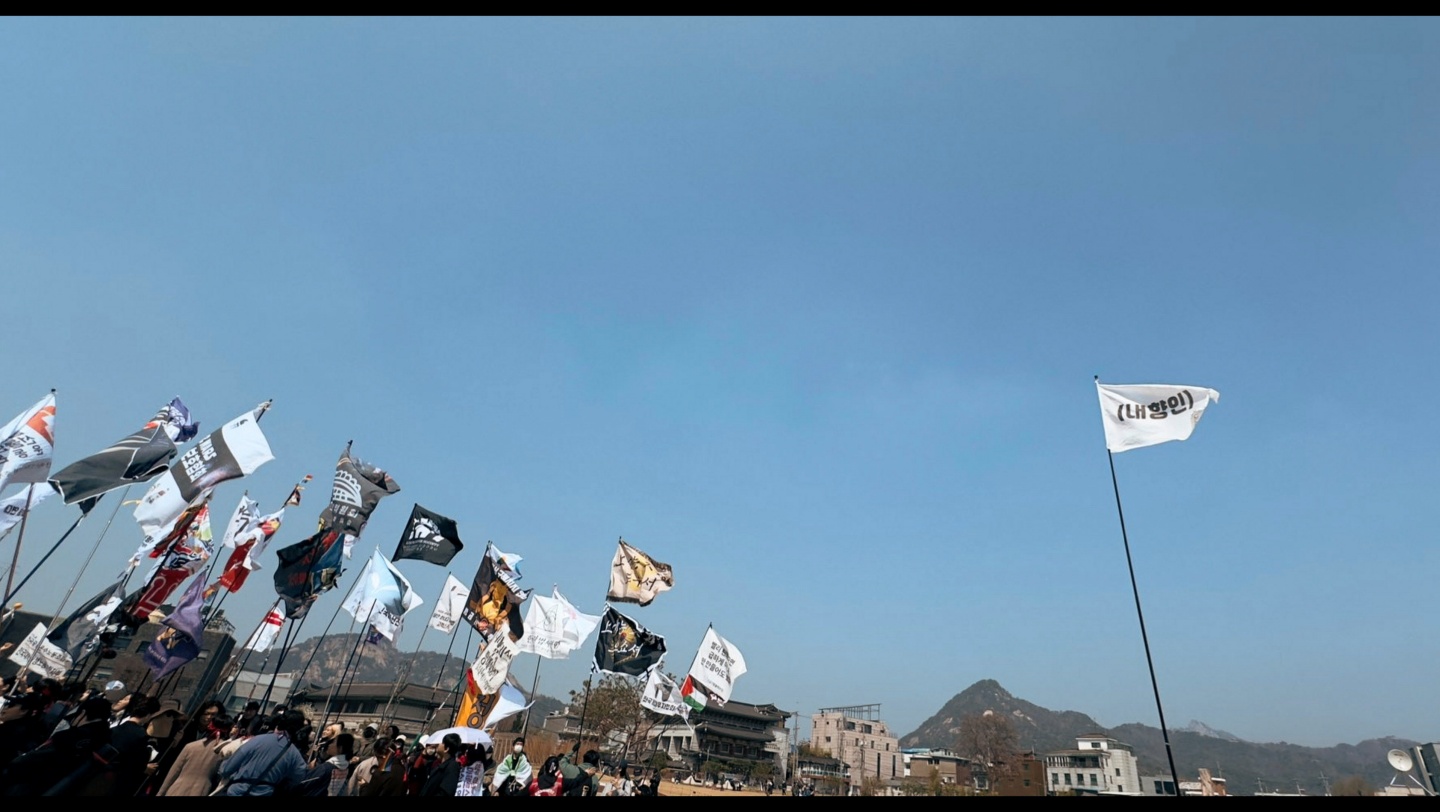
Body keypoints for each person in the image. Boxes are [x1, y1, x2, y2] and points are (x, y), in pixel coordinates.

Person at [217, 709, 309, 796]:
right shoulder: (295, 756)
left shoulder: (257, 739)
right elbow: (297, 780)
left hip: (236, 791)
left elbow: (227, 769)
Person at [157, 712, 233, 796]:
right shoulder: (226, 751)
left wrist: (161, 793)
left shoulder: (190, 746)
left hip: (177, 788)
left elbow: (173, 773)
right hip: (202, 790)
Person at [298, 731, 353, 795]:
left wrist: (311, 771)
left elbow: (303, 784)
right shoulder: (345, 768)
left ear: (340, 748)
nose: (329, 745)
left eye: (333, 742)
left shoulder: (325, 768)